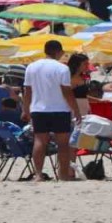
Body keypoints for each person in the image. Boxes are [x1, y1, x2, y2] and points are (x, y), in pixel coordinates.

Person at [22, 40, 81, 181]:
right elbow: (66, 91)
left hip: (38, 109)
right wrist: (76, 109)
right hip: (60, 109)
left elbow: (27, 91)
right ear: (59, 52)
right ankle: (63, 175)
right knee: (63, 144)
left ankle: (38, 174)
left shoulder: (31, 67)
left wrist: (25, 109)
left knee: (39, 141)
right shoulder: (62, 68)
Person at [67, 53, 92, 117]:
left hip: (83, 109)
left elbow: (82, 95)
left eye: (88, 64)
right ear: (77, 64)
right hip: (74, 110)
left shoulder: (81, 77)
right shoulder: (69, 78)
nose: (87, 66)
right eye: (85, 64)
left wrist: (98, 100)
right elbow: (68, 96)